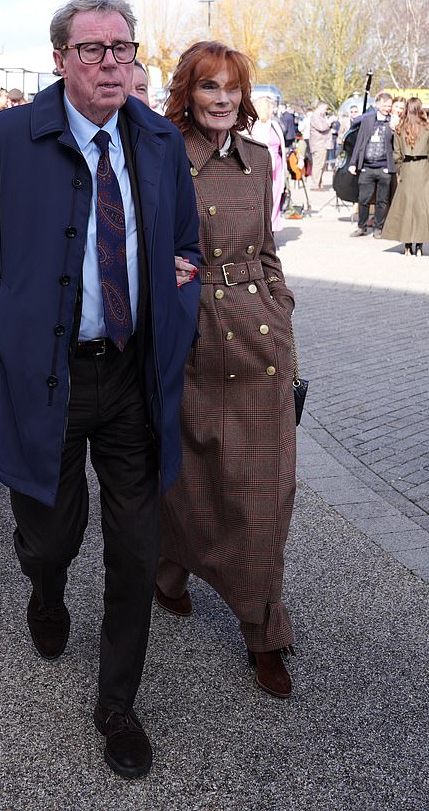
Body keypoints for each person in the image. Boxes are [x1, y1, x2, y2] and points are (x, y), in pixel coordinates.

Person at [0, 0, 200, 779]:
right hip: (45, 376)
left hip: (130, 377)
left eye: (124, 48)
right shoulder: (5, 140)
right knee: (52, 535)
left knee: (135, 546)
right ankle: (45, 588)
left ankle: (117, 703)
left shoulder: (156, 140)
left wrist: (175, 309)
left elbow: (185, 246)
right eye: (94, 50)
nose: (113, 63)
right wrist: (9, 332)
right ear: (60, 58)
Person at [158, 41, 297, 700]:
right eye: (209, 86)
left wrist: (282, 307)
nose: (222, 98)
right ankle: (170, 565)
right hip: (191, 338)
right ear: (187, 92)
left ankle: (263, 629)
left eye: (232, 88)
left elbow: (268, 248)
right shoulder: (162, 157)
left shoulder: (260, 159)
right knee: (194, 476)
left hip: (260, 340)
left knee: (264, 491)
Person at [382, 97, 429, 256]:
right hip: (424, 168)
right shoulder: (428, 128)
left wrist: (400, 170)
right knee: (422, 208)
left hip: (407, 168)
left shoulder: (399, 128)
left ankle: (407, 245)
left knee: (406, 207)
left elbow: (396, 154)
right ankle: (419, 246)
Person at [349, 91, 395, 238]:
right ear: (378, 104)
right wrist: (353, 163)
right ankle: (361, 226)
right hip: (367, 166)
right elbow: (360, 141)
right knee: (363, 199)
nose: (387, 108)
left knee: (382, 200)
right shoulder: (368, 120)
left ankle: (378, 228)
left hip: (384, 167)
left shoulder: (393, 122)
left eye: (389, 106)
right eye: (384, 105)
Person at [248, 94, 286, 231]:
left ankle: (272, 229)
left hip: (277, 166)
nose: (273, 111)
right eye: (270, 108)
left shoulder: (274, 124)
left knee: (275, 198)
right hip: (262, 167)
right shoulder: (254, 126)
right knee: (263, 199)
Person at [309, 102, 334, 190]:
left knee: (322, 165)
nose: (326, 111)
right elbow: (322, 127)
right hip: (318, 144)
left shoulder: (321, 116)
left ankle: (319, 183)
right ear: (320, 108)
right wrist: (329, 122)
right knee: (318, 165)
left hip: (323, 144)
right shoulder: (315, 116)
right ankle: (315, 184)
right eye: (325, 109)